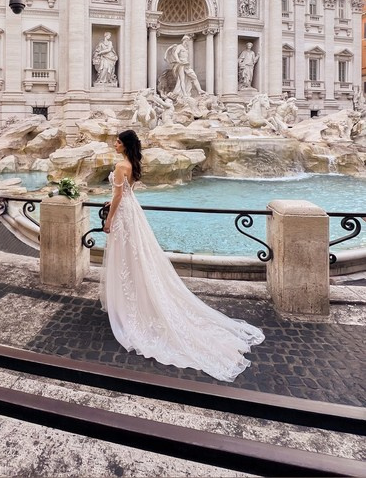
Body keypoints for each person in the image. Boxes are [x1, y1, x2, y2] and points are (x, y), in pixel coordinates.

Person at [100, 130, 264, 381]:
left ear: (125, 145)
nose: (115, 144)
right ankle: (136, 299)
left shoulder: (121, 165)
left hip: (123, 214)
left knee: (126, 259)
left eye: (118, 141)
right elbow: (127, 193)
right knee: (137, 259)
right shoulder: (132, 164)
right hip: (133, 213)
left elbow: (118, 195)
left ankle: (130, 304)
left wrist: (109, 219)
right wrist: (113, 206)